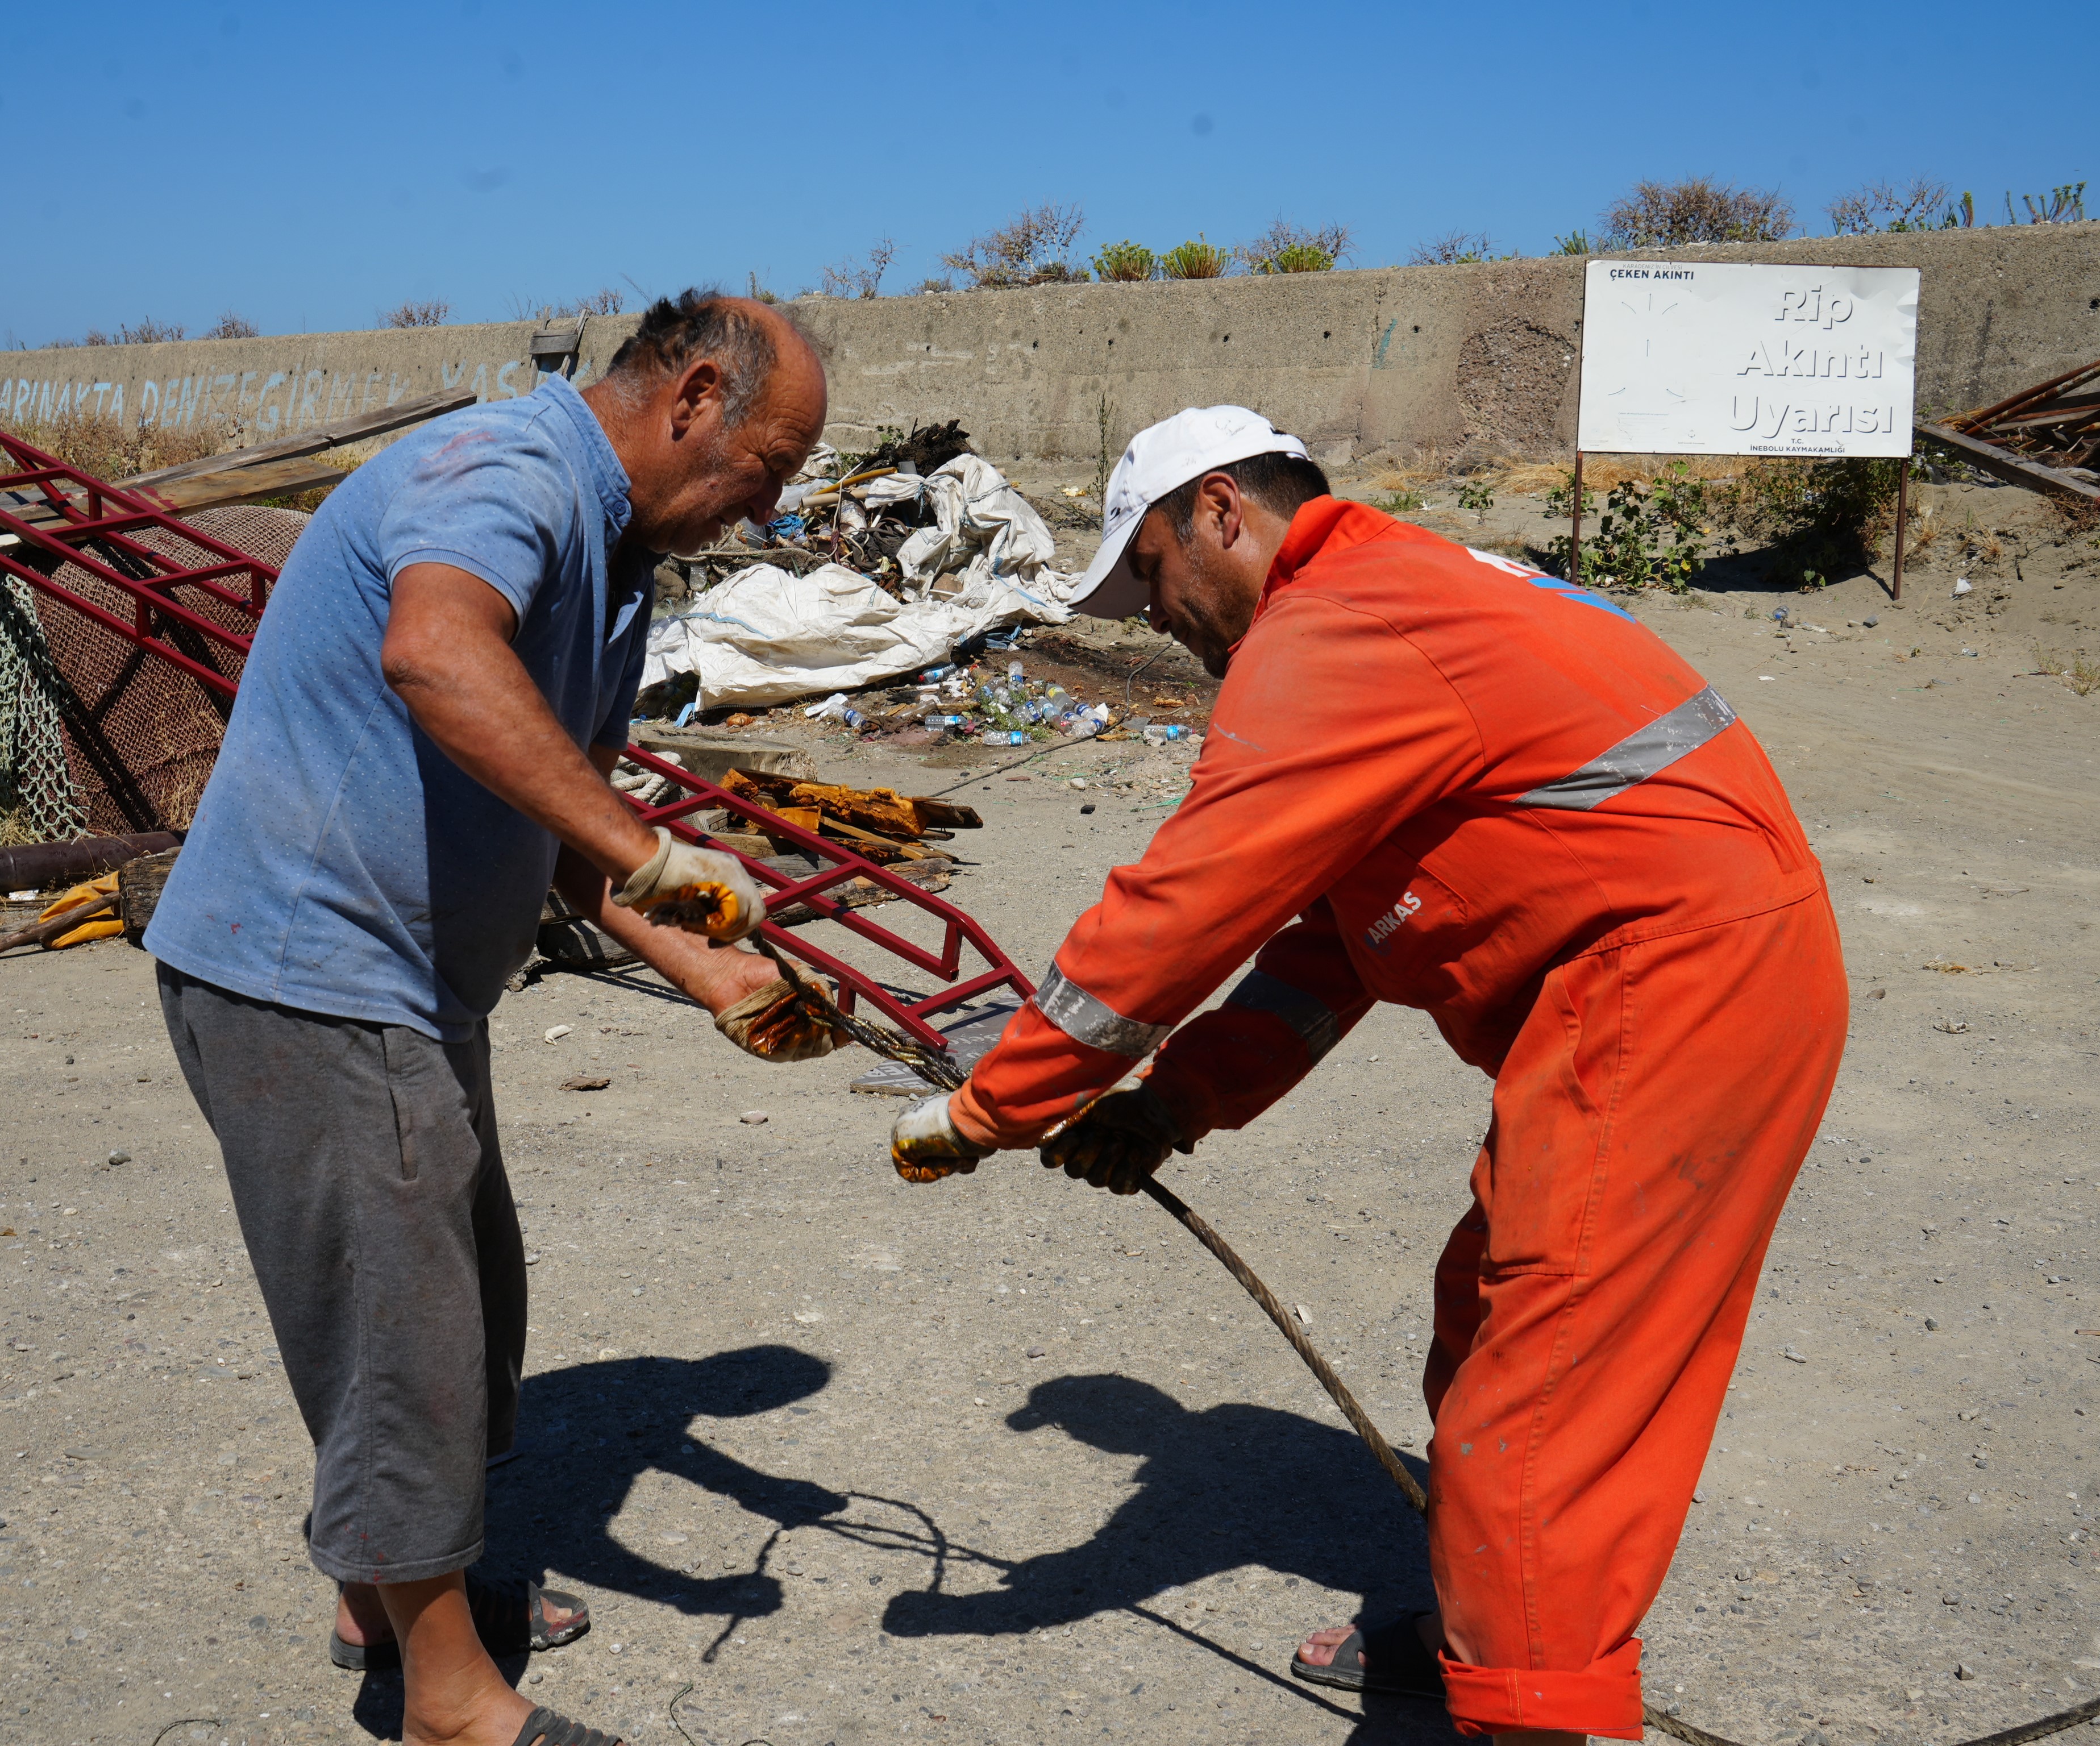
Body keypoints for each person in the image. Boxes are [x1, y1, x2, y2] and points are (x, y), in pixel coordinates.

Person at [889, 405, 1847, 1744]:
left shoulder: (1337, 630)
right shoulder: (1396, 599)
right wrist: (1175, 1100)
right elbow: (1331, 947)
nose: (1149, 616)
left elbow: (1179, 906)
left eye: (1150, 575)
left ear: (1220, 511)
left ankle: (1530, 1712)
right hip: (1667, 977)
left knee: (1540, 1406)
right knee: (1489, 1319)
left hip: (1671, 989)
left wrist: (991, 1106)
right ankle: (1482, 1637)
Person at [146, 290, 835, 1746]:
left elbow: (565, 805)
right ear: (695, 396)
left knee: (469, 1295)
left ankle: (375, 1597)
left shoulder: (621, 559)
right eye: (766, 468)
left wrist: (723, 975)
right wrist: (657, 853)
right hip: (307, 973)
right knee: (403, 1328)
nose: (764, 509)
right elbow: (436, 657)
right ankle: (449, 1705)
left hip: (409, 983)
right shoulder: (505, 475)